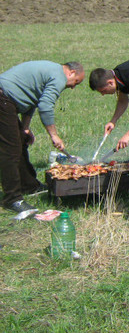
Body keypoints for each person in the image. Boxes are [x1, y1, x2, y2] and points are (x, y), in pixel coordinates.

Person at [0, 61, 84, 219]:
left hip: (6, 99)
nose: (73, 87)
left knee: (20, 142)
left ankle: (29, 186)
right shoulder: (59, 77)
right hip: (3, 98)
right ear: (71, 72)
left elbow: (32, 100)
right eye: (76, 82)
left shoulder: (52, 71)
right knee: (10, 151)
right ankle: (12, 199)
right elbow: (45, 106)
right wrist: (54, 135)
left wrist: (25, 128)